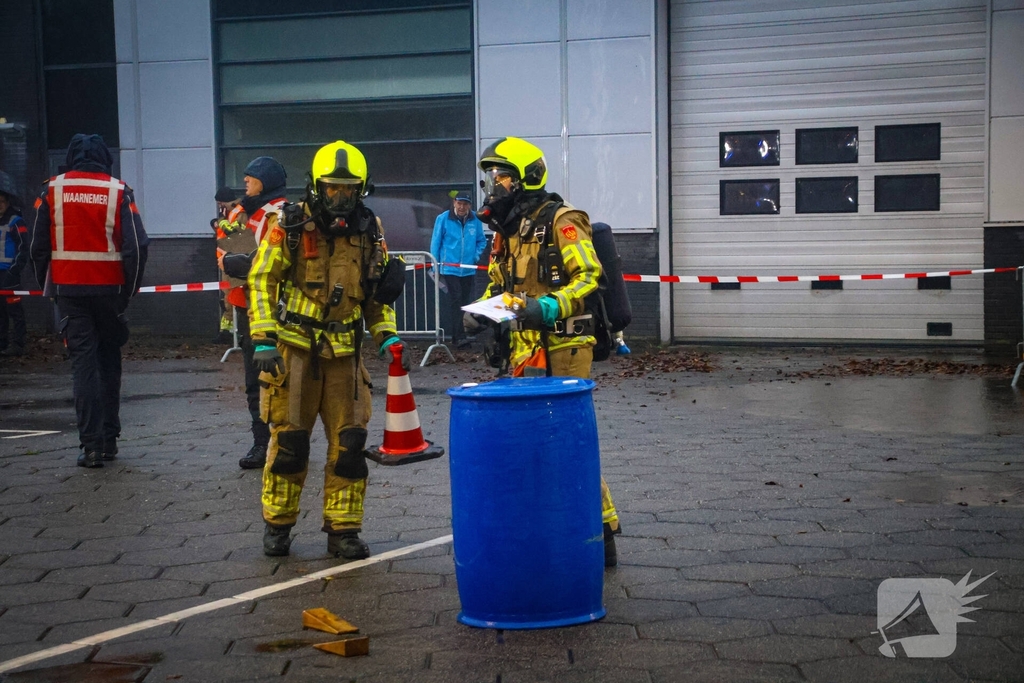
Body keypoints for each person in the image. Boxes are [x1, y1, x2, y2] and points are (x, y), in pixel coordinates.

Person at [247, 140, 406, 559]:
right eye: (333, 187)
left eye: (349, 189)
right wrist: (263, 337)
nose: (340, 197)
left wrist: (387, 335)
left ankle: (343, 530)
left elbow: (375, 295)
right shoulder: (290, 224)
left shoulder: (370, 230)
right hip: (294, 351)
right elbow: (262, 280)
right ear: (316, 186)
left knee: (350, 446)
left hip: (345, 356)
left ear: (361, 189)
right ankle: (278, 526)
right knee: (289, 443)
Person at [476, 136, 622, 566]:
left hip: (566, 343)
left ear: (526, 178)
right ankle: (550, 531)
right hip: (525, 348)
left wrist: (550, 306)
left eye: (501, 176)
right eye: (491, 177)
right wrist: (481, 312)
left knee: (566, 442)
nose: (493, 185)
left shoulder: (563, 220)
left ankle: (602, 533)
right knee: (534, 442)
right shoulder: (508, 229)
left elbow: (589, 277)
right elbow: (499, 285)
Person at [29, 134, 149, 468]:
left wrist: (50, 288)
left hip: (70, 292)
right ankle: (109, 440)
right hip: (110, 292)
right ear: (104, 159)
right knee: (109, 361)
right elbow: (137, 247)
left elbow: (37, 248)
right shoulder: (118, 191)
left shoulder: (50, 190)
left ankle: (92, 447)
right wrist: (128, 291)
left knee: (83, 366)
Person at [220, 158, 287, 470]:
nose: (245, 180)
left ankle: (284, 440)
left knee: (279, 376)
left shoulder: (282, 212)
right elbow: (226, 249)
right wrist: (230, 260)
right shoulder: (241, 212)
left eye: (252, 176)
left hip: (278, 307)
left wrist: (240, 262)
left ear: (267, 180)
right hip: (247, 303)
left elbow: (277, 258)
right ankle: (261, 441)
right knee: (253, 379)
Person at [429, 191, 486, 349]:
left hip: (468, 269)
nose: (461, 207)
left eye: (465, 204)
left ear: (469, 205)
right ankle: (460, 337)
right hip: (449, 268)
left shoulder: (475, 220)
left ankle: (459, 336)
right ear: (454, 202)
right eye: (459, 203)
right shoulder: (443, 219)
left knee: (465, 302)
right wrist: (435, 266)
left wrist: (475, 256)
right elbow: (435, 243)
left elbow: (481, 241)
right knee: (457, 299)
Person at [0, 171, 28, 356]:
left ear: (8, 202)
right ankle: (2, 344)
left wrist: (14, 270)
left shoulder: (16, 221)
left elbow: (24, 248)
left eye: (2, 202)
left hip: (9, 274)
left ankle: (18, 345)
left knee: (14, 310)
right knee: (0, 312)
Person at [213, 186, 244, 343]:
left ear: (226, 201)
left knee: (232, 296)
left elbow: (235, 233)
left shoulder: (239, 212)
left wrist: (221, 222)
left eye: (220, 203)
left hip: (233, 260)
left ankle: (231, 332)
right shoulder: (231, 212)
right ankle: (228, 331)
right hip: (226, 260)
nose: (220, 207)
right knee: (227, 296)